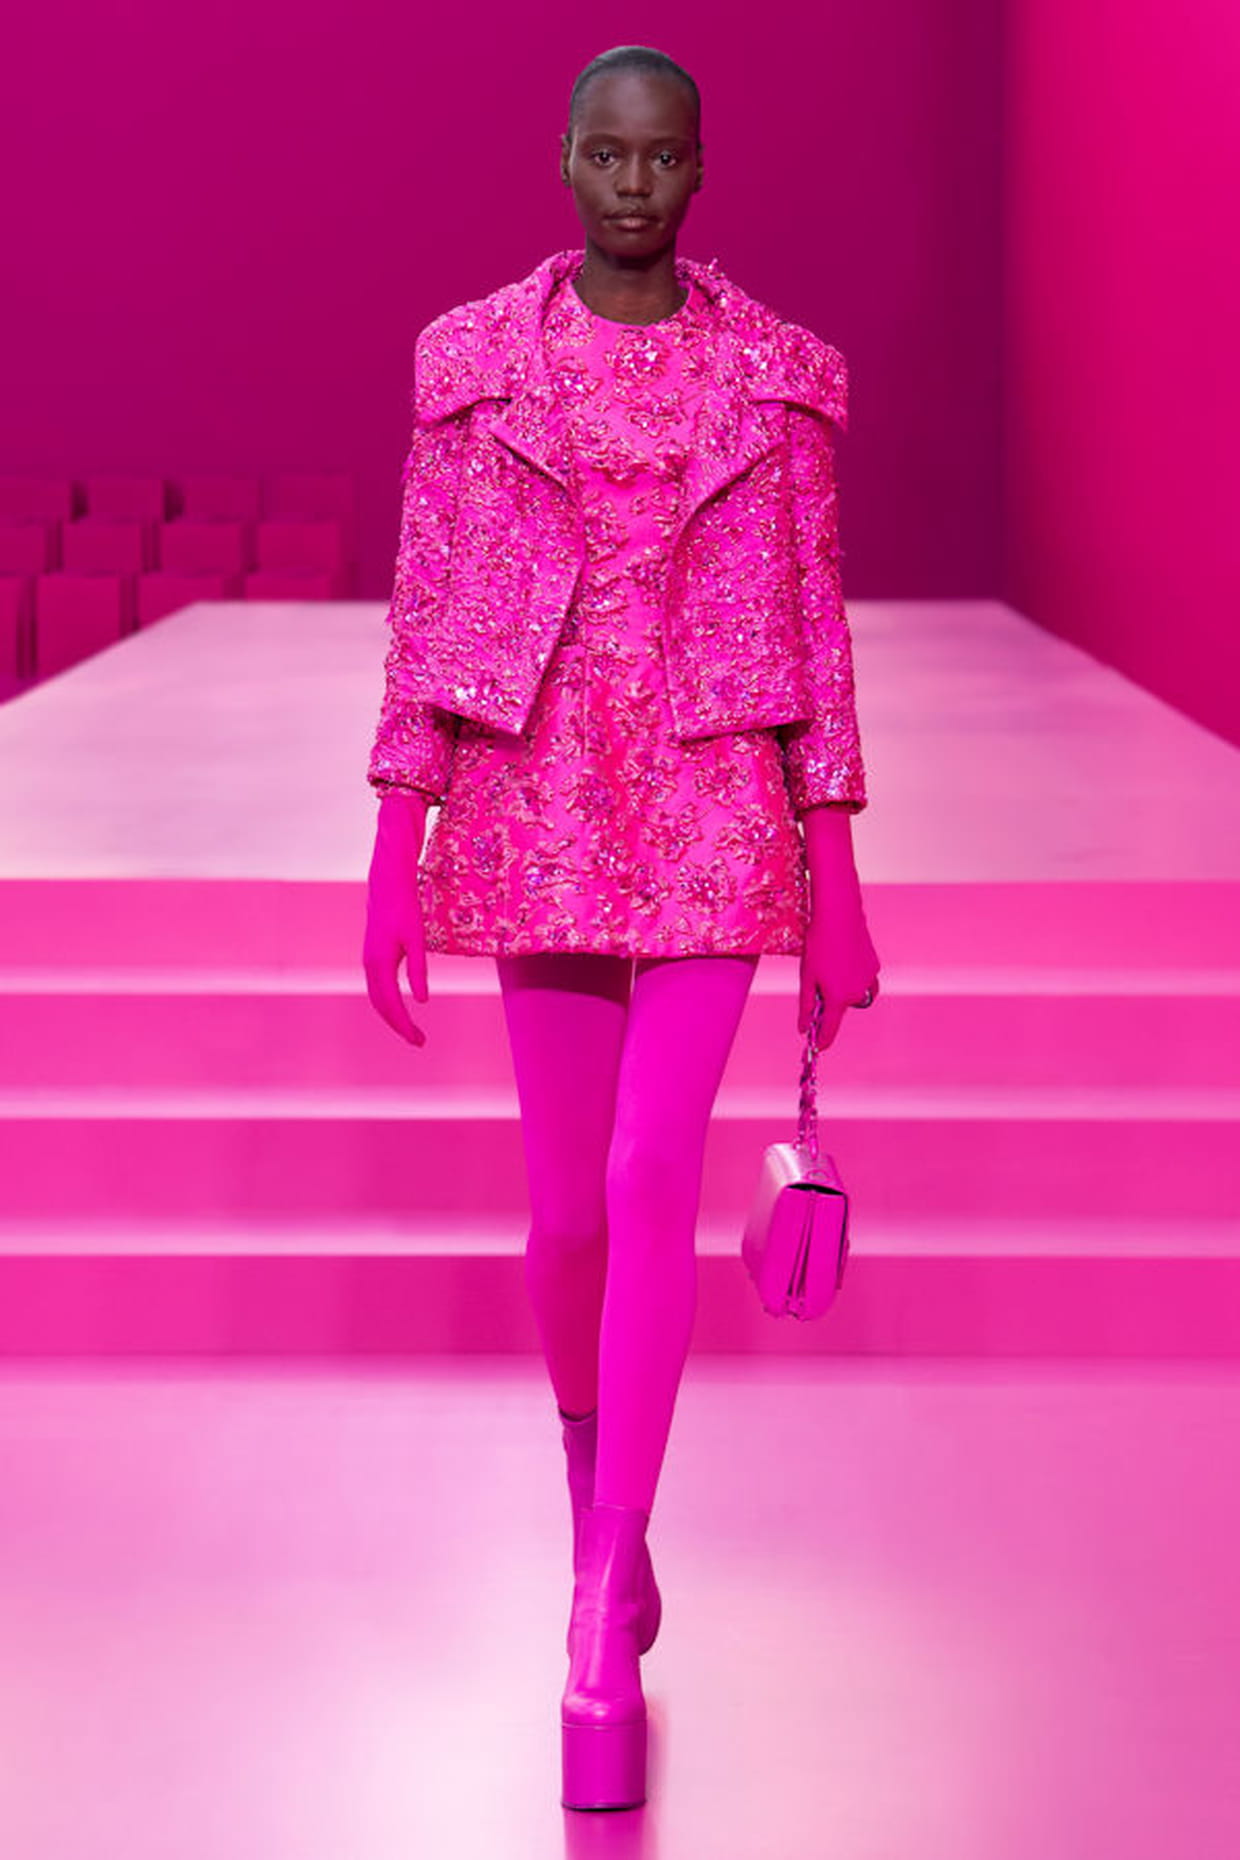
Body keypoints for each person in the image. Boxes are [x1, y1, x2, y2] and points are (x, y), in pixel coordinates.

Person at [362, 42, 881, 1812]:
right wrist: (393, 838)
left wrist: (838, 871)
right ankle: (604, 1513)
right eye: (607, 153)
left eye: (662, 157)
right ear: (567, 158)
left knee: (657, 1175)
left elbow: (813, 629)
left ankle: (598, 1601)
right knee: (567, 1213)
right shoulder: (474, 369)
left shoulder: (777, 383)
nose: (634, 184)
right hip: (538, 803)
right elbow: (434, 610)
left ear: (702, 167)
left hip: (717, 802)